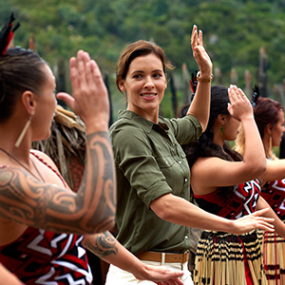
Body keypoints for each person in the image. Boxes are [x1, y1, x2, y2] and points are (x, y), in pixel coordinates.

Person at [0, 15, 185, 285]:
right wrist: (97, 123)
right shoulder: (5, 180)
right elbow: (94, 218)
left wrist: (142, 270)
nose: (57, 104)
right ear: (29, 102)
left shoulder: (40, 161)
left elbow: (88, 233)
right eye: (52, 92)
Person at [106, 25, 274, 285]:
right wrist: (232, 225)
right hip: (142, 272)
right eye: (138, 76)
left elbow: (197, 122)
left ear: (165, 81)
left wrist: (205, 74)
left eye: (157, 75)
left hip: (178, 269)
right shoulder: (128, 134)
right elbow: (164, 205)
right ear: (122, 84)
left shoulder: (164, 128)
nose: (149, 83)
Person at [185, 85, 285, 284]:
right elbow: (257, 167)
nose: (240, 124)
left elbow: (256, 202)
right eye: (237, 118)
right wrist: (248, 116)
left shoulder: (227, 158)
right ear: (222, 118)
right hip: (223, 261)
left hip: (247, 253)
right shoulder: (204, 166)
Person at [235, 96, 285, 284]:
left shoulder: (269, 161)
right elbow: (255, 202)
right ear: (269, 129)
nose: (283, 130)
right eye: (281, 124)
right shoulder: (256, 167)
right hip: (270, 244)